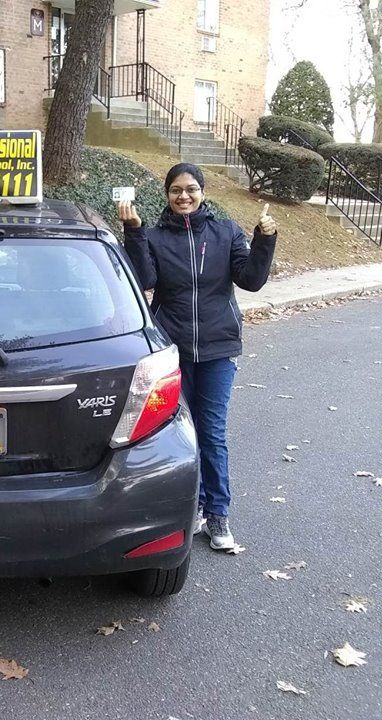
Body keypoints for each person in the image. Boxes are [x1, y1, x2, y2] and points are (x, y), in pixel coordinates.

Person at [117, 163, 277, 551]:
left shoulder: (226, 232)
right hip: (172, 351)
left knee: (211, 432)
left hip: (218, 349)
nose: (183, 196)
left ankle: (218, 513)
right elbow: (144, 281)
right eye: (175, 190)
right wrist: (134, 231)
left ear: (202, 192)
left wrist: (265, 240)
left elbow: (251, 280)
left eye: (191, 189)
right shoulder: (154, 236)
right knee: (173, 433)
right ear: (167, 195)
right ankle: (192, 507)